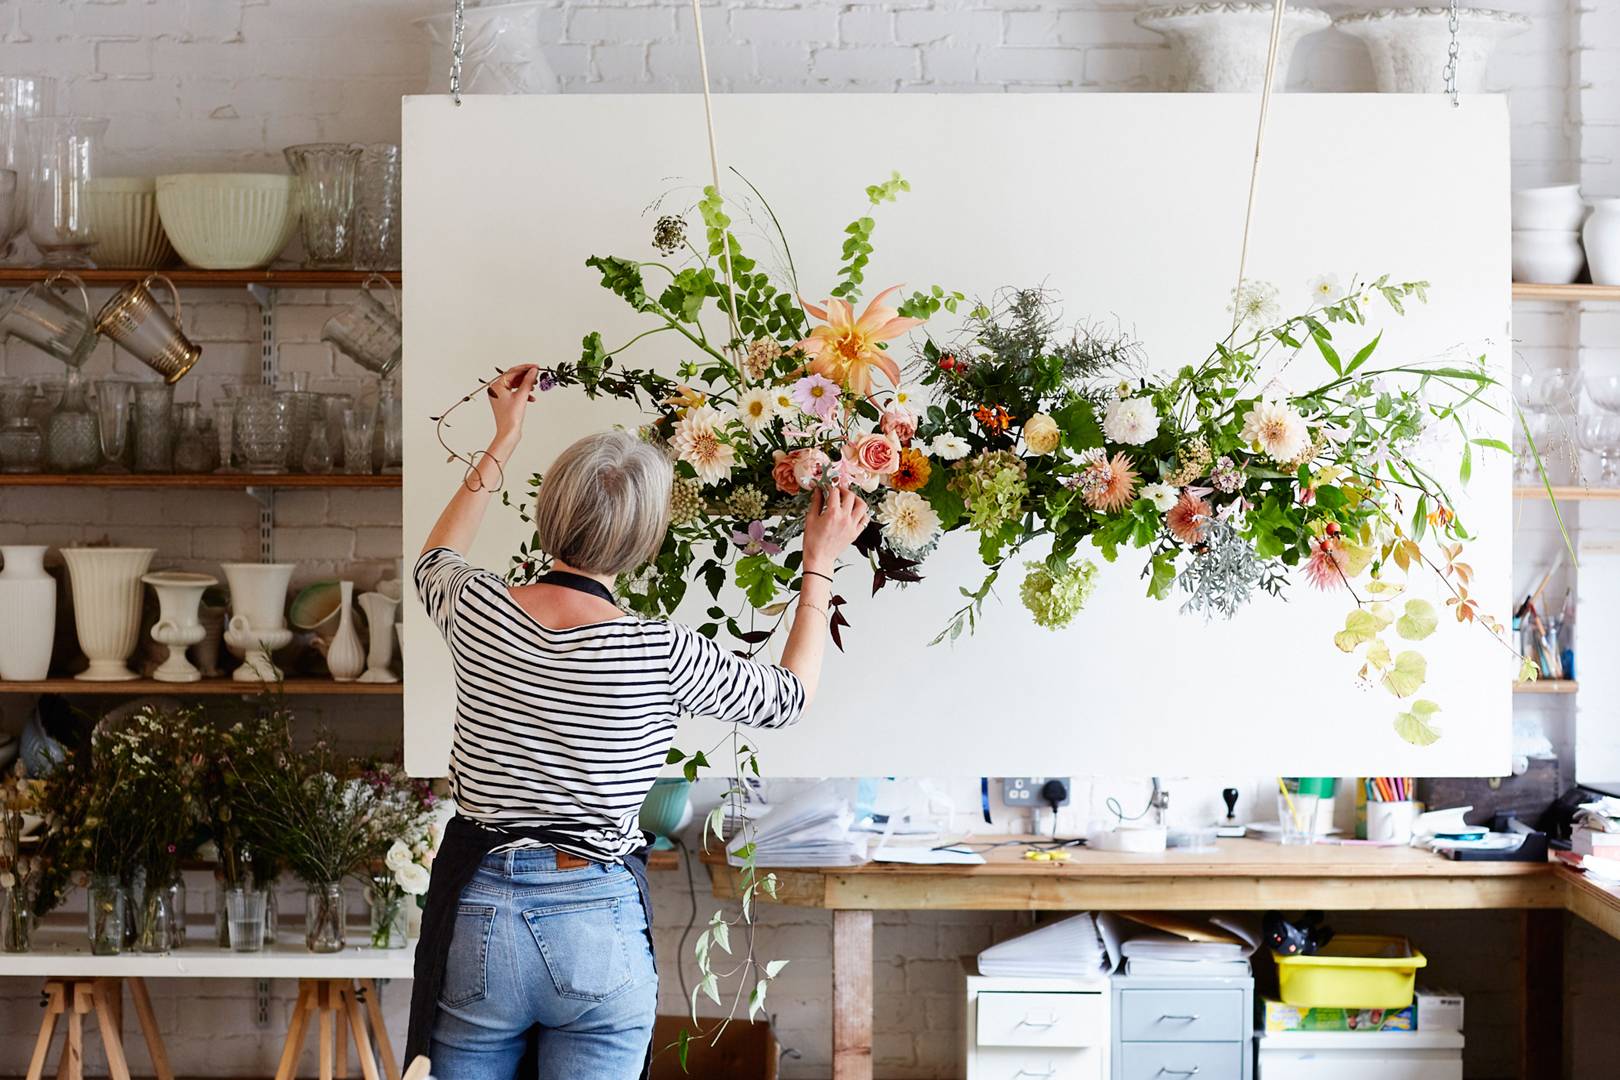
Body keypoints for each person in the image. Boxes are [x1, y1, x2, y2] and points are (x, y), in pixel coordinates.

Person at [404, 363, 868, 1079]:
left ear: (548, 514)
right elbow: (789, 697)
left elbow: (435, 556)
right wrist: (819, 562)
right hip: (597, 913)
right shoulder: (660, 651)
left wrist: (506, 434)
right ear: (645, 540)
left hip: (482, 911)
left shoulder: (477, 608)